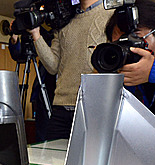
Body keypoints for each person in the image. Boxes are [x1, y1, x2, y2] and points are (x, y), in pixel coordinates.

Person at [29, 0, 113, 140]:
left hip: (93, 110)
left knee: (90, 160)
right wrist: (36, 34)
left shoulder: (112, 15)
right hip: (60, 108)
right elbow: (52, 66)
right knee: (54, 159)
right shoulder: (64, 20)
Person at [8, 28, 56, 142]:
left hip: (54, 87)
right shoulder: (28, 33)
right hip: (41, 88)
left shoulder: (48, 33)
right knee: (41, 130)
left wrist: (37, 35)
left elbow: (50, 57)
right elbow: (18, 56)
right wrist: (14, 39)